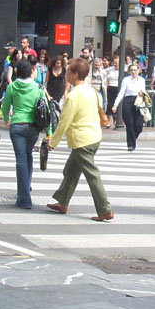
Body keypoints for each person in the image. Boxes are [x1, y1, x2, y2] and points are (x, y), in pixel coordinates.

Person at [45, 58, 113, 222]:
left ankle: (105, 209)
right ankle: (62, 201)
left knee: (91, 175)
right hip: (93, 136)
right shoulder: (91, 91)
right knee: (71, 170)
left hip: (82, 140)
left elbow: (64, 122)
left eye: (68, 71)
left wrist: (52, 142)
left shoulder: (73, 96)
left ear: (75, 74)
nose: (66, 74)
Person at [0, 59, 43, 209]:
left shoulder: (12, 87)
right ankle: (27, 185)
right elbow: (45, 108)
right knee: (28, 155)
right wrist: (49, 131)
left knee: (21, 160)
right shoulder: (38, 88)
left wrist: (6, 119)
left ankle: (24, 198)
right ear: (31, 71)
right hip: (33, 127)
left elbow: (5, 107)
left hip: (17, 125)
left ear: (17, 72)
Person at [113, 62, 147, 151]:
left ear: (139, 70)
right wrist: (115, 105)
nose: (133, 72)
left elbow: (144, 91)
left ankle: (133, 138)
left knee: (139, 124)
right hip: (128, 101)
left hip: (139, 101)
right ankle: (131, 144)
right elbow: (121, 93)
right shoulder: (126, 80)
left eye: (135, 70)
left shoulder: (142, 80)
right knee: (130, 123)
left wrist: (142, 93)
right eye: (131, 70)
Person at [105, 54, 121, 129]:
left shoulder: (123, 69)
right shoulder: (110, 69)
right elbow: (102, 72)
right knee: (109, 104)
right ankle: (108, 121)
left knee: (117, 104)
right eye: (114, 62)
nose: (115, 64)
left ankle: (116, 120)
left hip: (118, 88)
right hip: (111, 87)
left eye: (117, 62)